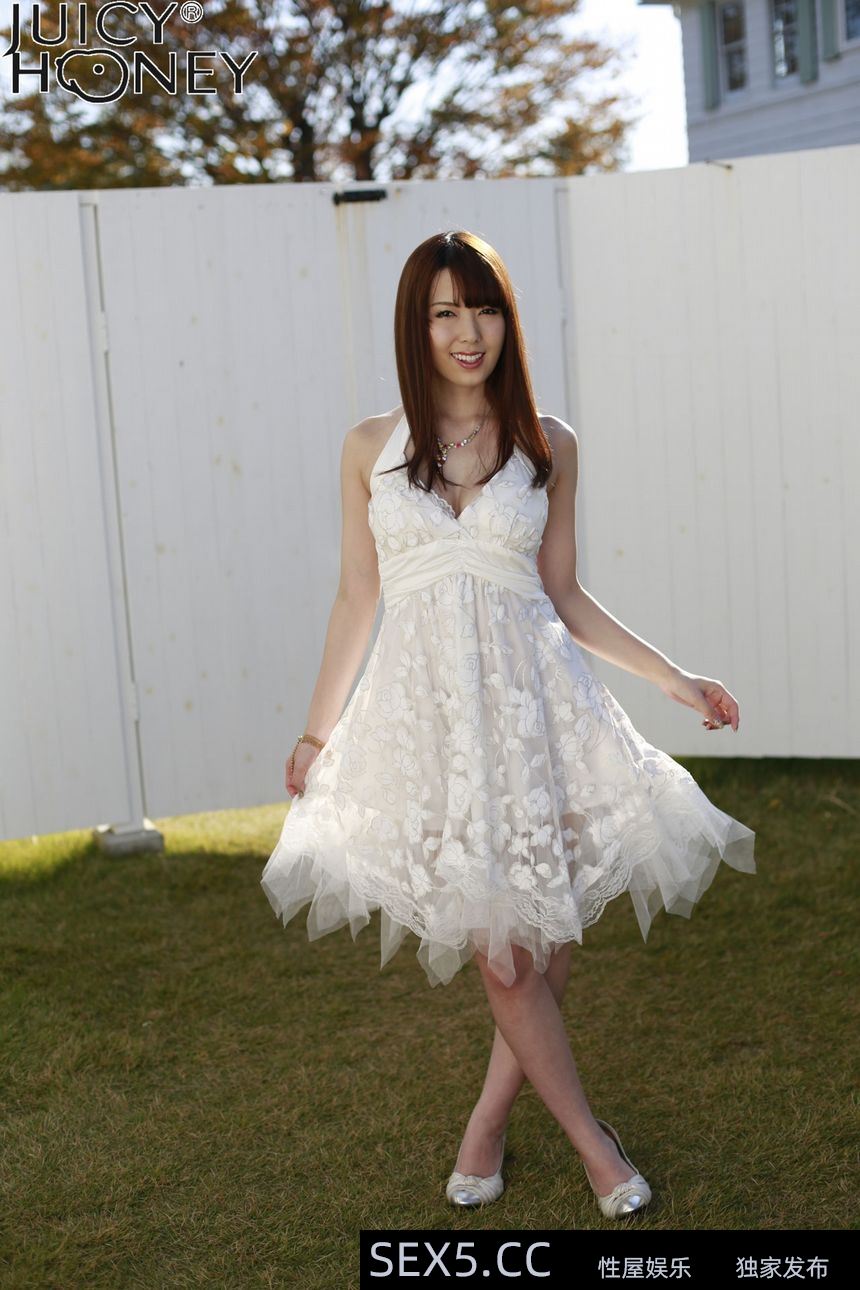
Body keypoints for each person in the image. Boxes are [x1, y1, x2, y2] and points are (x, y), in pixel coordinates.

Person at [260, 229, 756, 1219]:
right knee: (504, 952)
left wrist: (671, 677)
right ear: (415, 325)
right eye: (444, 311)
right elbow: (356, 598)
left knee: (544, 934)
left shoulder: (547, 441)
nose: (466, 331)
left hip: (539, 715)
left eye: (482, 308)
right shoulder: (369, 448)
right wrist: (316, 735)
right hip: (434, 726)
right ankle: (593, 1145)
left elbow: (563, 594)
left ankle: (486, 1125)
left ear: (506, 319)